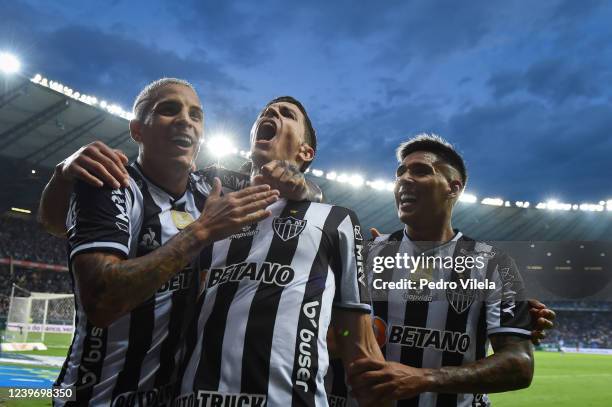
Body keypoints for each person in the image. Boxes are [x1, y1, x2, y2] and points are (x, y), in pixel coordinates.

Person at [41, 78, 282, 406]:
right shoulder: (112, 184)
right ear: (137, 131)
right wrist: (200, 232)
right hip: (96, 398)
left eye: (196, 115)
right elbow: (101, 299)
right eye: (169, 110)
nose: (186, 119)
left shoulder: (209, 188)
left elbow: (281, 180)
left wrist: (304, 186)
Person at [174, 96, 384, 406]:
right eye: (266, 112)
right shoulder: (213, 210)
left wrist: (309, 189)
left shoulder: (336, 220)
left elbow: (359, 342)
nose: (272, 112)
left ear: (306, 151)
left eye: (286, 114)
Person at [346, 134, 543, 406]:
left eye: (421, 171)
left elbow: (519, 365)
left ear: (453, 187)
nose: (404, 179)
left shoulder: (495, 265)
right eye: (400, 172)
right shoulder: (364, 255)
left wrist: (424, 378)